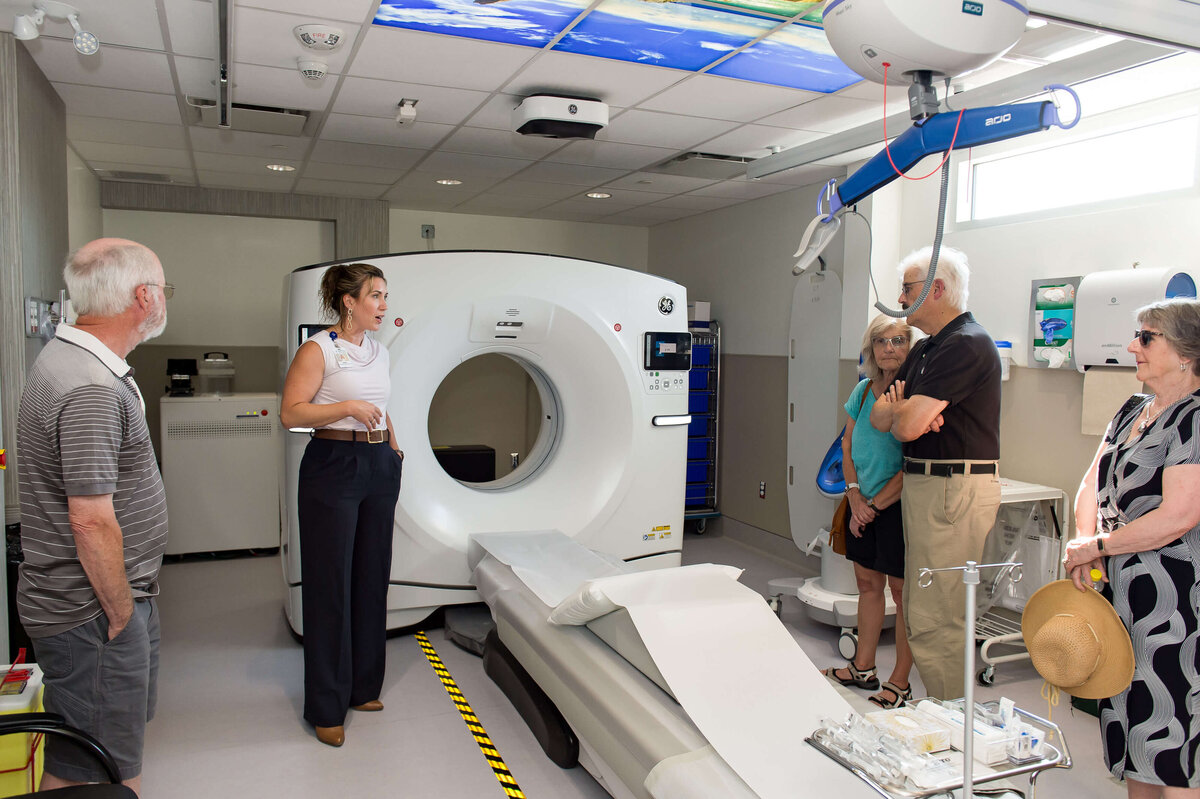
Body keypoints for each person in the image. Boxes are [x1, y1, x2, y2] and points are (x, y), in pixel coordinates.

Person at [16, 238, 171, 795]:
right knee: (101, 771)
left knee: (84, 754)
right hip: (94, 610)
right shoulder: (89, 387)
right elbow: (89, 521)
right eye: (163, 289)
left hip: (97, 603)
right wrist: (122, 611)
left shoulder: (73, 360)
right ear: (144, 297)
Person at [1064, 298, 1200, 798]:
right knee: (1129, 727)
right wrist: (1086, 546)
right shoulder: (1131, 410)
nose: (1131, 347)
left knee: (1171, 735)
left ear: (1186, 353)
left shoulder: (1195, 419)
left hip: (1176, 605)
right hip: (1120, 595)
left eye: (1146, 338)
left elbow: (1178, 517)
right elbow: (1091, 482)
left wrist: (1099, 544)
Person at [869, 245, 1001, 701]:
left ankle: (952, 731)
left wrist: (906, 413)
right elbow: (880, 416)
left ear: (937, 289)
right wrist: (909, 412)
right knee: (921, 609)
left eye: (907, 290)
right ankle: (944, 717)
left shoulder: (966, 345)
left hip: (951, 489)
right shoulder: (928, 348)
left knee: (936, 616)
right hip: (927, 484)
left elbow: (902, 424)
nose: (900, 300)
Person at [280, 262, 403, 748]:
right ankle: (326, 706)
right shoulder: (318, 349)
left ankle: (362, 687)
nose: (384, 305)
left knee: (372, 577)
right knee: (331, 584)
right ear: (349, 302)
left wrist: (394, 447)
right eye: (376, 295)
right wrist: (346, 408)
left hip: (378, 464)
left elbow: (381, 403)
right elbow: (291, 413)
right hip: (333, 463)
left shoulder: (378, 351)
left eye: (386, 295)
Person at [822, 315, 915, 708]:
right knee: (867, 585)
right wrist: (856, 497)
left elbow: (912, 464)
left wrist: (874, 506)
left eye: (898, 340)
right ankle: (863, 667)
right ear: (871, 348)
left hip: (895, 508)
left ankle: (900, 682)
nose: (889, 348)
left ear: (911, 347)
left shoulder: (914, 396)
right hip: (862, 502)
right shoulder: (862, 392)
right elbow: (846, 447)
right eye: (881, 341)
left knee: (902, 593)